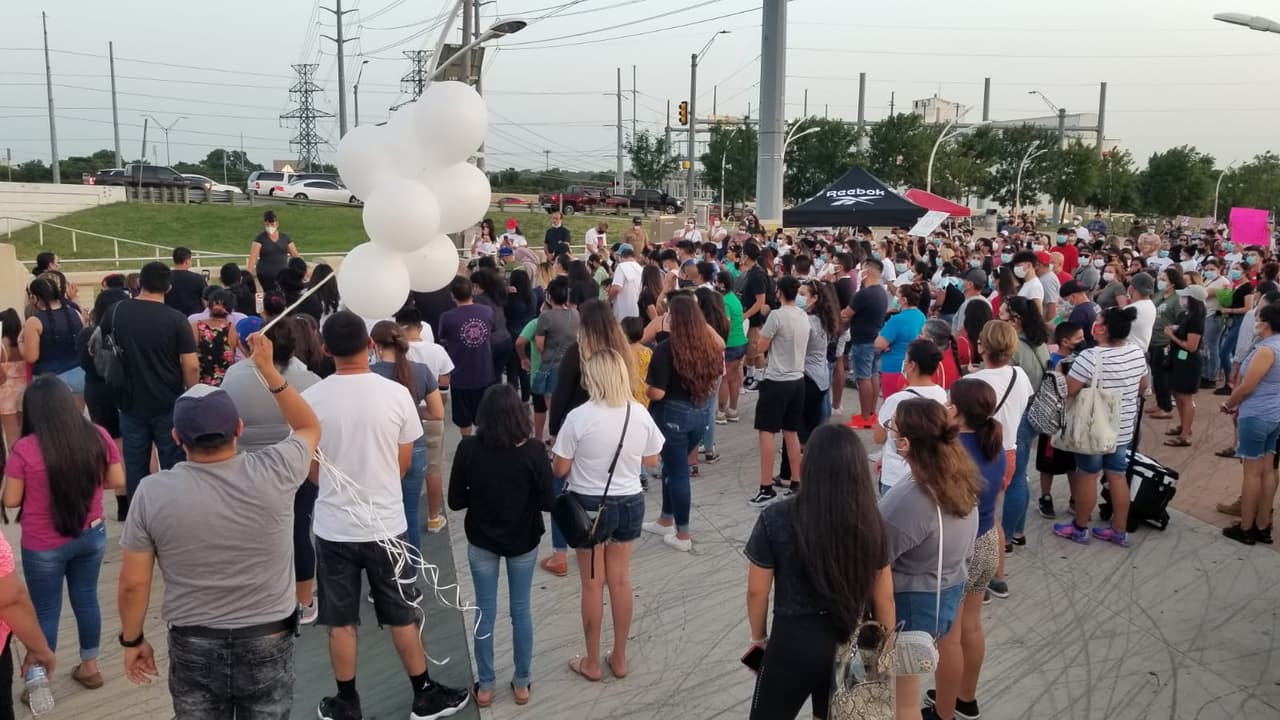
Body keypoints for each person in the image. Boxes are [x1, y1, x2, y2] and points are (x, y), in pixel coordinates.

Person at [117, 332, 320, 717]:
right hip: (268, 636)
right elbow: (309, 425)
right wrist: (268, 372)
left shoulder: (151, 492)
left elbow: (133, 582)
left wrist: (132, 640)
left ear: (177, 438)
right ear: (238, 429)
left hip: (194, 642)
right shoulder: (277, 469)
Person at [301, 311, 471, 720]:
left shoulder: (311, 399)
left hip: (333, 526)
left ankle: (347, 701)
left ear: (326, 351)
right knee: (400, 614)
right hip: (386, 524)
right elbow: (401, 464)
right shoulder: (396, 394)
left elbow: (308, 469)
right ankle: (423, 693)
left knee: (340, 620)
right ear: (369, 346)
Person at [745, 425, 894, 719]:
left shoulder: (775, 518)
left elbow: (757, 591)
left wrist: (758, 637)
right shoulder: (871, 522)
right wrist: (883, 651)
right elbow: (885, 597)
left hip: (792, 640)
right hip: (848, 636)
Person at [2, 375, 124, 692]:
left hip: (43, 544)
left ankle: (40, 681)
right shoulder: (97, 435)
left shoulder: (24, 449)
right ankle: (90, 667)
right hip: (91, 534)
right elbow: (117, 480)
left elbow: (11, 500)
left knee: (45, 609)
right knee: (86, 599)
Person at [553, 349, 664, 683]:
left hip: (588, 506)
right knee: (620, 580)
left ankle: (592, 661)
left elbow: (560, 468)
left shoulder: (579, 417)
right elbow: (652, 460)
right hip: (630, 501)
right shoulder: (639, 413)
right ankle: (619, 656)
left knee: (591, 583)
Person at [448, 385, 553, 707]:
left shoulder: (468, 449)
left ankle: (487, 685)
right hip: (523, 540)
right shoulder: (534, 451)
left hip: (482, 540)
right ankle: (522, 682)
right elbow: (549, 502)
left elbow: (454, 501)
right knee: (521, 611)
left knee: (485, 611)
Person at [880, 398, 980, 720]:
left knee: (904, 701)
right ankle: (946, 713)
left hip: (912, 602)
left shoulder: (908, 499)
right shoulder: (959, 474)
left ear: (906, 444)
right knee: (947, 648)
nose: (890, 436)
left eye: (892, 430)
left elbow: (874, 557)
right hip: (949, 587)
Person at [219, 319, 323, 623]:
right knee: (299, 532)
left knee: (254, 534)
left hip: (248, 467)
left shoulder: (234, 377)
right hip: (298, 465)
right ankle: (304, 602)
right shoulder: (311, 380)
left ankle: (260, 599)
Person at [924, 379, 1007, 720]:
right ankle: (964, 698)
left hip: (960, 548)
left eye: (948, 400)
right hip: (987, 540)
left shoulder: (953, 452)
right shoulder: (994, 445)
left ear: (956, 409)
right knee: (971, 625)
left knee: (949, 635)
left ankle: (944, 711)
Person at [545, 300, 640, 577]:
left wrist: (554, 431)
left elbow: (561, 393)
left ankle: (560, 552)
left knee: (562, 488)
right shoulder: (622, 351)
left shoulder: (578, 352)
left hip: (578, 425)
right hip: (617, 425)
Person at [102, 262, 198, 517]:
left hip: (129, 401)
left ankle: (139, 516)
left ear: (139, 283)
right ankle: (174, 513)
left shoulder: (116, 311)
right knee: (173, 463)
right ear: (168, 286)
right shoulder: (176, 319)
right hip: (168, 401)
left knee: (135, 465)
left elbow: (99, 347)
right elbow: (191, 365)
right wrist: (192, 392)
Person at [1053, 306, 1149, 547]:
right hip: (1123, 426)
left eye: (1098, 322)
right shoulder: (1137, 352)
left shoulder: (1090, 357)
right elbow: (1142, 386)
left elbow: (1069, 390)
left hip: (1094, 428)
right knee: (1117, 475)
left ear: (1104, 328)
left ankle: (1080, 527)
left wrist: (1058, 374)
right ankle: (1119, 530)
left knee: (1087, 475)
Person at [642, 294, 723, 551]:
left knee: (677, 472)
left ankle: (683, 534)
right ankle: (666, 519)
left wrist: (645, 389)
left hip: (672, 415)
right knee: (672, 467)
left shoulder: (667, 348)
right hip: (698, 413)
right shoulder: (707, 343)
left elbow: (657, 392)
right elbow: (721, 343)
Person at [965, 320, 1033, 598]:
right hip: (1008, 453)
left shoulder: (971, 383)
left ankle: (974, 581)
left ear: (982, 346)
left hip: (978, 452)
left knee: (970, 519)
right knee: (991, 517)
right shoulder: (1020, 376)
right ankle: (997, 576)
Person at [371, 321, 444, 555]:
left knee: (382, 517)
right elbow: (437, 413)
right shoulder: (421, 370)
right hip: (415, 447)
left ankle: (387, 575)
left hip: (381, 449)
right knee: (410, 513)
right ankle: (410, 574)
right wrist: (413, 412)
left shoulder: (371, 374)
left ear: (375, 346)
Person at [1220, 303, 1280, 544]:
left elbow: (1247, 387)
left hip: (1257, 414)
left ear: (1265, 323)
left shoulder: (1266, 350)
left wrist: (1229, 404)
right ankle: (1263, 524)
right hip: (1275, 414)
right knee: (1268, 470)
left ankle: (1246, 527)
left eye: (1258, 318)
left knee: (1252, 473)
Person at [749, 276, 810, 505]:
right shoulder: (803, 315)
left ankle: (765, 486)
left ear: (779, 292)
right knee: (791, 432)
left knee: (766, 432)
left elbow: (761, 346)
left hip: (777, 380)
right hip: (798, 379)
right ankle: (796, 481)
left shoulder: (777, 315)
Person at [874, 339, 947, 496]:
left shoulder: (896, 400)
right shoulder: (942, 394)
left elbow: (879, 437)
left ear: (912, 366)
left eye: (906, 360)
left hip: (896, 475)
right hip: (928, 472)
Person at [438, 275, 496, 437]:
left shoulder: (447, 317)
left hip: (459, 375)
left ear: (452, 296)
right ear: (472, 292)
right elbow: (493, 330)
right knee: (483, 415)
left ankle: (467, 444)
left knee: (463, 419)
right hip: (484, 371)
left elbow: (442, 337)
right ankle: (483, 444)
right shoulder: (487, 311)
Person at [22, 275, 86, 395]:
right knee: (76, 413)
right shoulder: (76, 314)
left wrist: (21, 343)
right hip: (78, 373)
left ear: (35, 297)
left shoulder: (34, 322)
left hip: (48, 381)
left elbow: (31, 357)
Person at [848, 258, 890, 428]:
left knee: (863, 378)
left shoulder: (864, 294)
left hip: (863, 340)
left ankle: (865, 417)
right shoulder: (880, 292)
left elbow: (847, 313)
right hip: (874, 338)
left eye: (862, 269)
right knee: (872, 375)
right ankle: (870, 412)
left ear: (868, 272)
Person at [1164, 284, 1206, 447]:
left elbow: (1191, 346)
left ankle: (1185, 434)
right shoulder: (1187, 315)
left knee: (1185, 397)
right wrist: (1176, 329)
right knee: (1177, 393)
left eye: (1185, 297)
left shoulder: (1196, 319)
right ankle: (1184, 426)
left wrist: (1171, 336)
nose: (1182, 299)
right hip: (1179, 360)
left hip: (1188, 362)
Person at [876, 284, 928, 399]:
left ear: (903, 300)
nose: (895, 299)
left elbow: (880, 344)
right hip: (913, 368)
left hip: (893, 366)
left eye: (897, 296)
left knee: (891, 404)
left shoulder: (897, 320)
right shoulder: (921, 316)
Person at [1147, 267, 1185, 420]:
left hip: (1165, 341)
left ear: (1173, 283)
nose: (1160, 281)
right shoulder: (1159, 294)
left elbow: (1180, 320)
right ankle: (1160, 403)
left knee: (1162, 375)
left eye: (1164, 279)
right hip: (1153, 338)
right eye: (1160, 278)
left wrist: (1172, 333)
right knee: (1156, 374)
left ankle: (1167, 407)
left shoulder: (1177, 299)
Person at [716, 270, 749, 424]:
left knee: (724, 378)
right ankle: (733, 410)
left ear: (721, 284)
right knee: (735, 377)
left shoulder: (724, 301)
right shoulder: (734, 298)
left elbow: (726, 322)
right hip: (741, 342)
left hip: (730, 344)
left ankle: (721, 412)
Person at [738, 243, 770, 392]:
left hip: (755, 320)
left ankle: (759, 378)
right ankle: (750, 375)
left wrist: (746, 315)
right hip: (749, 317)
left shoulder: (757, 275)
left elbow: (760, 301)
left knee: (756, 350)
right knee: (750, 351)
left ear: (747, 256)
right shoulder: (751, 272)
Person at [191, 289, 239, 387]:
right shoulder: (231, 329)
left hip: (201, 382)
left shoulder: (197, 326)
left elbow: (191, 355)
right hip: (225, 384)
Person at [248, 210, 299, 292]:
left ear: (277, 224)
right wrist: (249, 275)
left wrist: (302, 269)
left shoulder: (285, 238)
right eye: (267, 225)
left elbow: (295, 255)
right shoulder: (260, 239)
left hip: (283, 275)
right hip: (265, 276)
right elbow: (253, 257)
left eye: (272, 224)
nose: (270, 227)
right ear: (264, 224)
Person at [0, 309, 27, 452]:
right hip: (25, 390)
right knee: (25, 435)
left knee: (11, 438)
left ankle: (15, 470)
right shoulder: (23, 342)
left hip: (6, 394)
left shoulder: (3, 347)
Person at [165, 246, 208, 316]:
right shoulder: (198, 279)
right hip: (192, 320)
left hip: (169, 317)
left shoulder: (165, 278)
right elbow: (205, 301)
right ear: (187, 261)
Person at [608, 244, 644, 321]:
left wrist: (608, 300)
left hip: (623, 313)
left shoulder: (621, 267)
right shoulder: (640, 269)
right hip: (637, 312)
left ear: (621, 255)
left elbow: (616, 288)